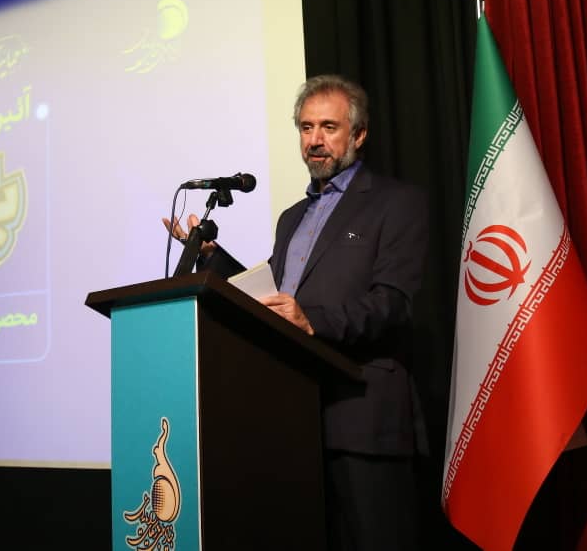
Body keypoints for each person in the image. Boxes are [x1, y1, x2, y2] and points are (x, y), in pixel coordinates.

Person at [164, 74, 429, 551]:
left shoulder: (396, 203)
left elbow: (394, 304)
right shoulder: (292, 218)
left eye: (329, 127)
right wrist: (211, 258)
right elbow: (271, 295)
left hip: (362, 418)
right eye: (306, 128)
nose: (315, 140)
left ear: (359, 134)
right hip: (293, 419)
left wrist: (312, 321)